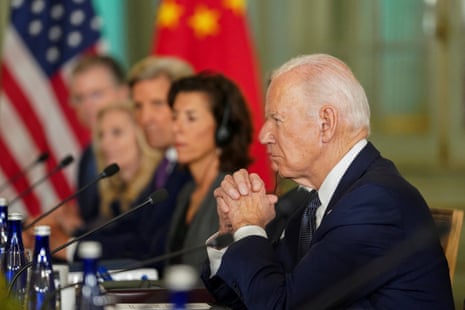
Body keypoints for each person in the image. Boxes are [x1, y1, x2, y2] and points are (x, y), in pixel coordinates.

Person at [203, 54, 454, 309]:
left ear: (326, 123)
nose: (264, 135)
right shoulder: (311, 200)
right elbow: (250, 295)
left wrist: (249, 226)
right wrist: (233, 232)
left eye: (276, 119)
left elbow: (282, 305)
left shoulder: (377, 203)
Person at [166, 72, 253, 275]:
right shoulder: (187, 192)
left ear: (223, 130)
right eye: (174, 117)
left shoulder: (235, 194)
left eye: (190, 118)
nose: (176, 128)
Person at [127, 56, 194, 273]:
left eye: (157, 103)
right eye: (138, 106)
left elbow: (151, 248)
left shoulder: (195, 169)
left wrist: (74, 247)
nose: (145, 118)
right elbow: (131, 225)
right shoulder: (166, 163)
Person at [71, 102, 161, 261]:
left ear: (141, 135)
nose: (105, 143)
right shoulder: (115, 194)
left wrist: (71, 246)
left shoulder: (156, 188)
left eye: (116, 132)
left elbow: (138, 246)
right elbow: (109, 233)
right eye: (101, 135)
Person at [69, 55, 129, 226]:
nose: (87, 106)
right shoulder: (88, 153)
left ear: (123, 93)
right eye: (79, 98)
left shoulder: (140, 148)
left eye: (96, 94)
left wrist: (74, 238)